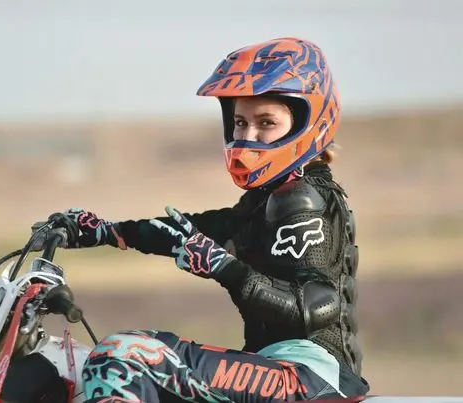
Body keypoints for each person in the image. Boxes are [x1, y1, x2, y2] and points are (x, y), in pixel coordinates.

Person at [34, 37, 370, 402]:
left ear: (306, 123)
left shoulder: (302, 199)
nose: (248, 136)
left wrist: (223, 267)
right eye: (240, 122)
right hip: (276, 370)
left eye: (266, 123)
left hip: (306, 378)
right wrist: (101, 231)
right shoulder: (265, 202)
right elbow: (184, 232)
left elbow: (317, 306)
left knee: (124, 357)